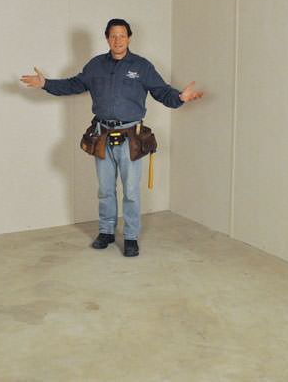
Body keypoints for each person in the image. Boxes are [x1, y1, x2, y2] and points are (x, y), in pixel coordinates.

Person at [20, 18, 203, 257]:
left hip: (131, 138)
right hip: (102, 136)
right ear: (107, 38)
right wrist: (45, 83)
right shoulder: (95, 66)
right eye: (113, 36)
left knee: (131, 191)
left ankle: (130, 237)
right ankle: (106, 232)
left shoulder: (142, 66)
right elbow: (74, 85)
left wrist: (179, 98)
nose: (118, 40)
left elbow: (161, 92)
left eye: (122, 36)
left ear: (129, 38)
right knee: (105, 189)